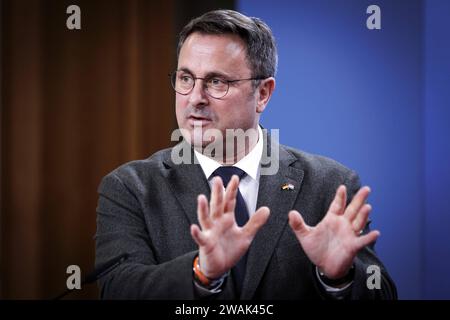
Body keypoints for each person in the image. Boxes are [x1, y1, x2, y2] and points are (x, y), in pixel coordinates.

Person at [95, 9, 397, 300]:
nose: (195, 98)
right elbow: (118, 289)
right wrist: (201, 272)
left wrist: (338, 278)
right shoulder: (130, 188)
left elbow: (380, 292)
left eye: (217, 82)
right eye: (186, 78)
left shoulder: (331, 186)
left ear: (263, 94)